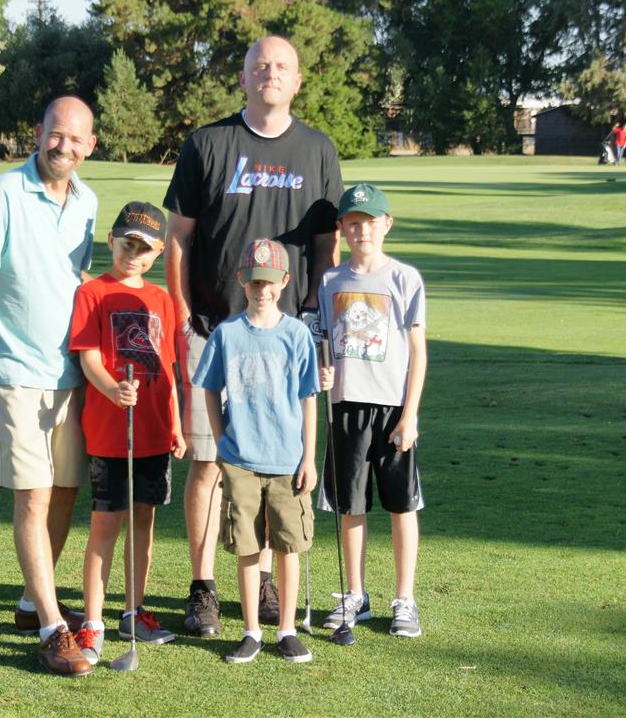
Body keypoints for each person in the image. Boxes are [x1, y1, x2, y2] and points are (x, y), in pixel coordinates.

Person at [164, 34, 342, 637]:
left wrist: (314, 317)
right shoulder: (207, 144)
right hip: (214, 327)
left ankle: (262, 580)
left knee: (270, 463)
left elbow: (325, 246)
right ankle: (203, 588)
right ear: (243, 78)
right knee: (210, 462)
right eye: (260, 66)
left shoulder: (317, 149)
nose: (271, 73)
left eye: (282, 66)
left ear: (297, 80)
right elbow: (179, 236)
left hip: (285, 336)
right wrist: (183, 313)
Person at [0, 95, 98, 677]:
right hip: (16, 373)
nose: (63, 146)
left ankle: (29, 602)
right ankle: (51, 628)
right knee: (33, 497)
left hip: (71, 373)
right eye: (55, 134)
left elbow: (77, 278)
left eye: (75, 138)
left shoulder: (87, 202)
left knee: (65, 491)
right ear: (38, 133)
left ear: (91, 146)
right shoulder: (4, 192)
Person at [68, 201, 186, 664]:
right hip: (110, 432)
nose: (133, 254)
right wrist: (113, 389)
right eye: (127, 244)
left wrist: (176, 424)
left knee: (144, 524)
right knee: (106, 525)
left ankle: (133, 611)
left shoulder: (161, 300)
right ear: (111, 240)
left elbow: (168, 368)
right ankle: (93, 622)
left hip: (154, 431)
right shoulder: (92, 292)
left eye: (145, 248)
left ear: (158, 253)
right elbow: (88, 357)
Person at [191, 238, 320, 664]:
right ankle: (251, 631)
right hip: (241, 460)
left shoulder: (297, 334)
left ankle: (286, 630)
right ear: (241, 281)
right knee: (247, 546)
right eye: (253, 282)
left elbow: (308, 398)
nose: (261, 290)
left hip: (288, 461)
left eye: (268, 282)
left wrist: (309, 457)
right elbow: (210, 388)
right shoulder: (228, 334)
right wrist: (221, 440)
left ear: (284, 282)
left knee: (288, 547)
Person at [317, 183, 428, 639]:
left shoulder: (404, 278)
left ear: (387, 225)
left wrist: (410, 415)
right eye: (353, 223)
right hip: (346, 407)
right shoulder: (330, 281)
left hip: (393, 409)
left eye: (370, 222)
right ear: (342, 228)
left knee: (401, 505)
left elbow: (418, 352)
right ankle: (356, 595)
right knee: (351, 505)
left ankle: (404, 598)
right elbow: (325, 343)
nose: (362, 230)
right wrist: (323, 371)